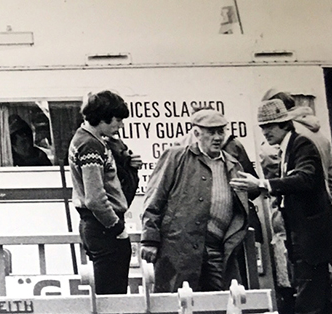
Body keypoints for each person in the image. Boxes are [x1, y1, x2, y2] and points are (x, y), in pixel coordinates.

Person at [233, 99, 332, 314]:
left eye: (270, 127)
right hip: (311, 241)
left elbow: (306, 178)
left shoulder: (301, 147)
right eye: (263, 127)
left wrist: (264, 185)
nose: (265, 133)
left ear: (284, 124)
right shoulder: (293, 146)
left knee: (308, 307)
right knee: (324, 309)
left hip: (312, 243)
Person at [140, 110, 251, 292]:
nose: (217, 137)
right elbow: (154, 198)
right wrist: (149, 239)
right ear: (197, 133)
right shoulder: (176, 157)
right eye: (211, 132)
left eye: (220, 132)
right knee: (180, 306)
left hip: (218, 248)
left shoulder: (233, 165)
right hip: (180, 249)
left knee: (222, 304)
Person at [69, 90, 133, 295]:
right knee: (113, 298)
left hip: (96, 226)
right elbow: (95, 198)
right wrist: (117, 227)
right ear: (103, 117)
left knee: (109, 294)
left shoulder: (87, 139)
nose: (120, 125)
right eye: (118, 119)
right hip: (104, 228)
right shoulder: (90, 146)